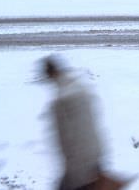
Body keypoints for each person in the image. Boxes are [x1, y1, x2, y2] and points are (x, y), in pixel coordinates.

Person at [42, 56, 113, 190]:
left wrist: (72, 170)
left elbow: (64, 140)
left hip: (79, 166)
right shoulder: (81, 88)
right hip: (96, 155)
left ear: (50, 74)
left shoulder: (61, 101)